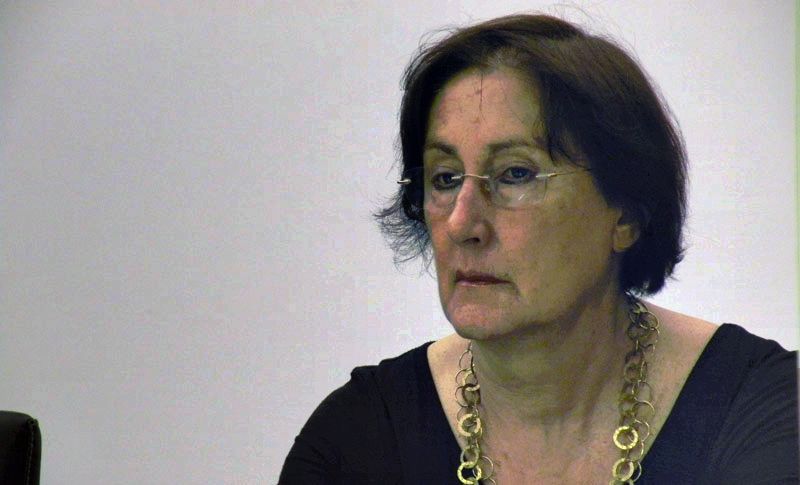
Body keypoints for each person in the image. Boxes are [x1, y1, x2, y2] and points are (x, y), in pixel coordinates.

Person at [279, 14, 798, 484]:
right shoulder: (355, 443)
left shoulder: (763, 411)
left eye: (515, 174)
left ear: (625, 211)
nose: (462, 223)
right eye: (445, 178)